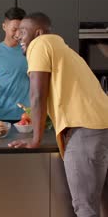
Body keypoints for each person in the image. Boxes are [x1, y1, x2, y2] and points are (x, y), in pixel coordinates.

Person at [9, 12, 108, 217]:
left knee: (85, 207)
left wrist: (35, 139)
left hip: (85, 129)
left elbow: (37, 95)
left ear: (38, 32)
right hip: (100, 126)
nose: (18, 37)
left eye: (23, 32)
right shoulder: (64, 49)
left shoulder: (40, 44)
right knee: (100, 203)